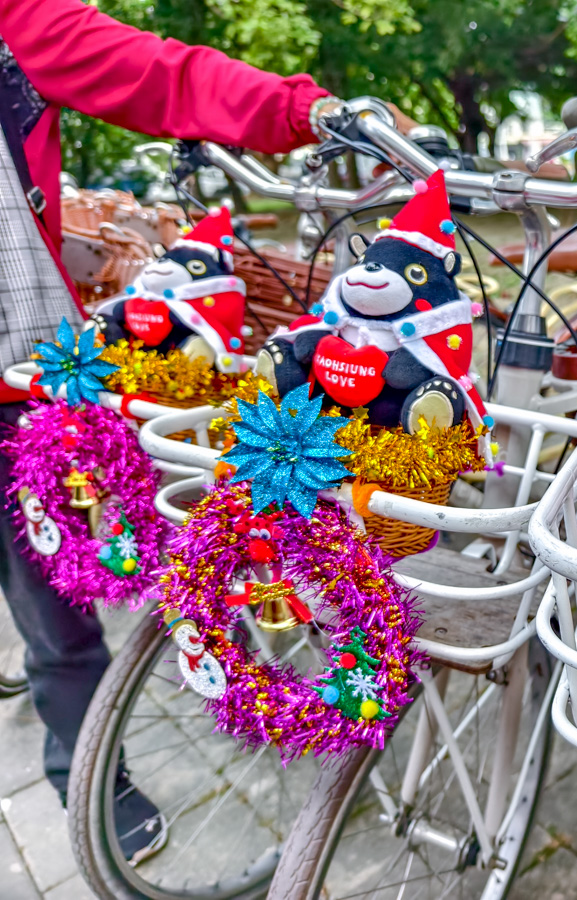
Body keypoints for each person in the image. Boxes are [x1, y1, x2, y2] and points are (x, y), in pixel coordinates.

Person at [0, 0, 347, 863]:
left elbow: (159, 71)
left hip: (22, 368)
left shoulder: (14, 24)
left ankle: (123, 744)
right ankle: (90, 765)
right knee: (53, 612)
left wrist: (310, 111)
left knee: (63, 594)